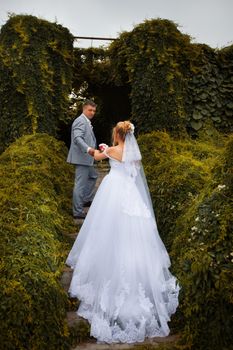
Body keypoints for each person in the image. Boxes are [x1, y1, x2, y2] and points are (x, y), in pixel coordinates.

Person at [66, 121, 180, 344]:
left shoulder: (112, 150)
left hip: (113, 192)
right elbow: (134, 174)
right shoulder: (134, 154)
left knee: (107, 229)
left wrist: (100, 148)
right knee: (135, 234)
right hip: (131, 194)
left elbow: (97, 158)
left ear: (117, 135)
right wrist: (107, 149)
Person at [67, 100, 98, 219]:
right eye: (90, 110)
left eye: (94, 111)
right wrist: (88, 149)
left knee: (93, 176)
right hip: (82, 158)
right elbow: (77, 139)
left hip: (87, 158)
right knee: (80, 185)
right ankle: (78, 212)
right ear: (84, 109)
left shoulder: (87, 121)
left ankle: (86, 199)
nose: (92, 112)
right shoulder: (80, 121)